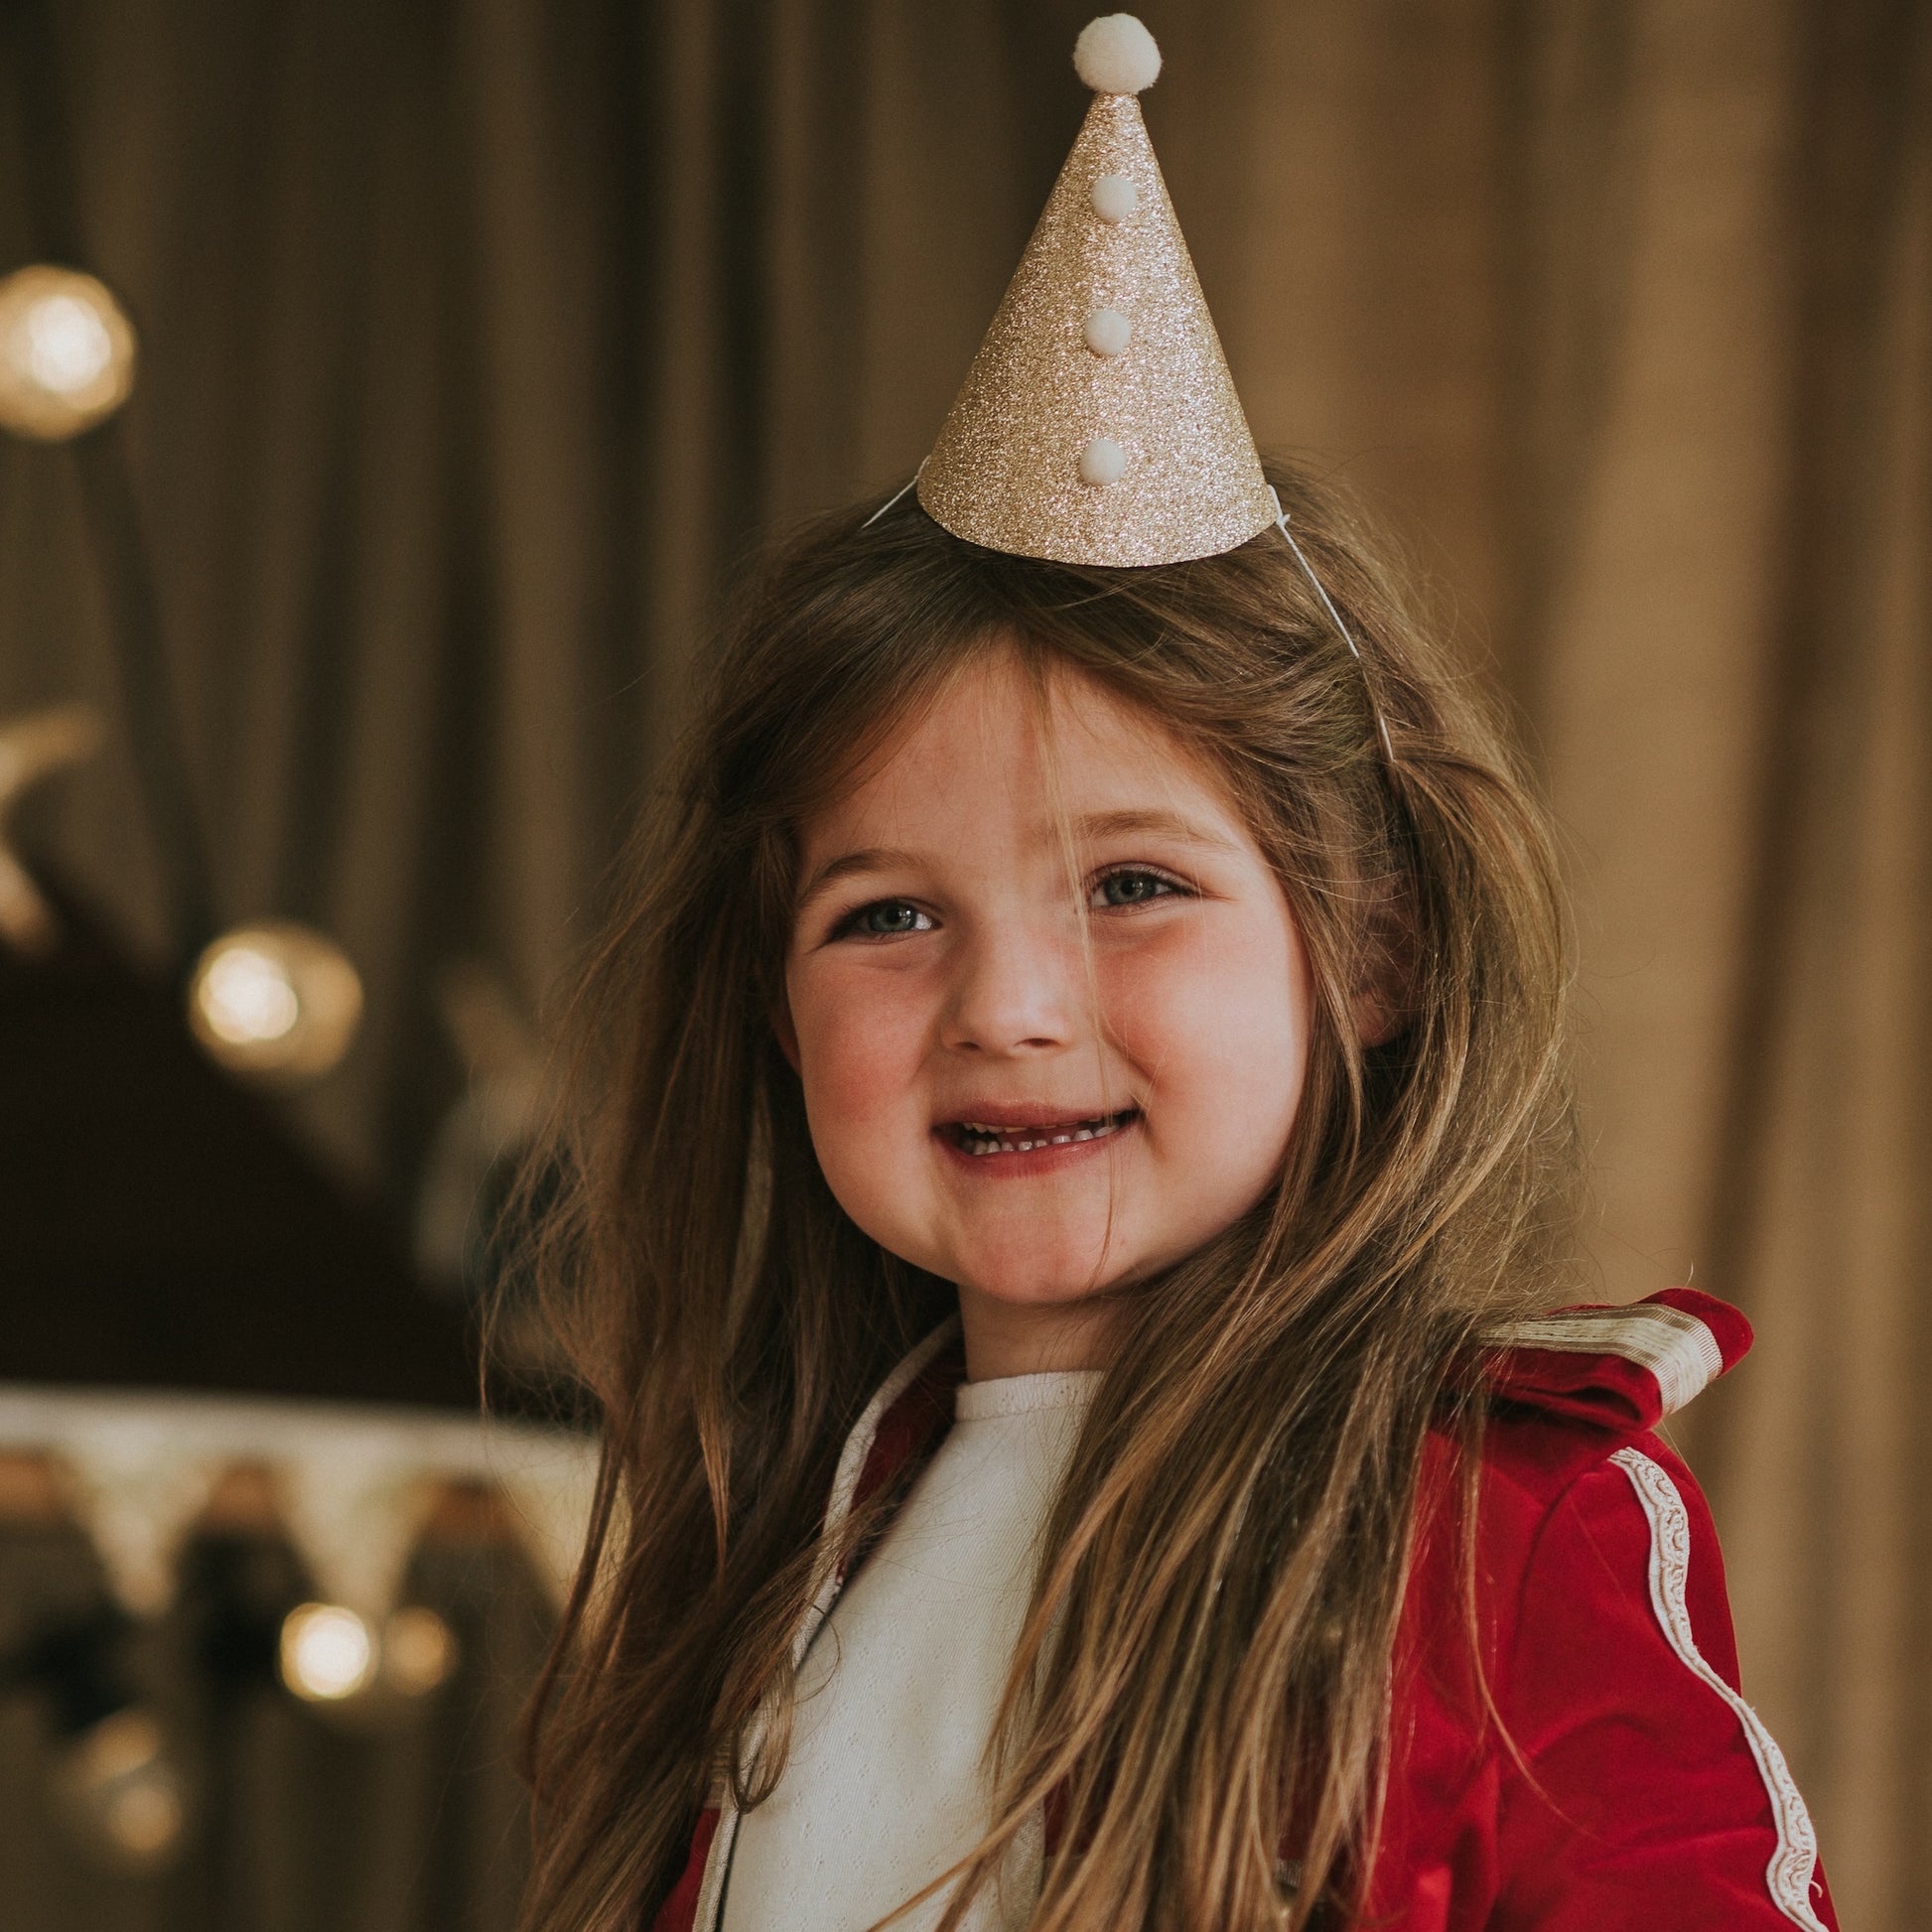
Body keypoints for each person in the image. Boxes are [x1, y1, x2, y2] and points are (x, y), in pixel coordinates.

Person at [513, 17, 1837, 1931]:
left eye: (1131, 883)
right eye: (887, 914)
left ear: (1364, 948)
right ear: (766, 997)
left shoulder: (1495, 1533)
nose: (1009, 1007)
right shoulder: (751, 1573)